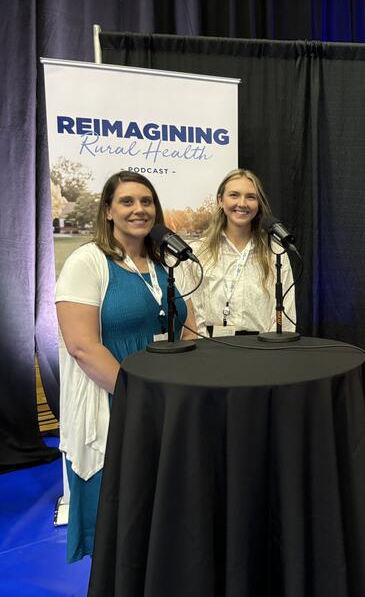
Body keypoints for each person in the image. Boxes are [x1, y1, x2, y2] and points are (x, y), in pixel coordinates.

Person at [55, 171, 195, 562]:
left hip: (166, 400)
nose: (139, 209)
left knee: (162, 510)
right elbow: (82, 346)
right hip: (115, 400)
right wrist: (140, 397)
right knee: (119, 518)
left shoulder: (164, 261)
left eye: (147, 201)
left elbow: (188, 325)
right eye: (128, 202)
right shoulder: (88, 262)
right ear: (108, 211)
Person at [182, 169, 297, 336]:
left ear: (258, 204)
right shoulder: (199, 251)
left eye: (251, 197)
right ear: (220, 200)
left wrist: (273, 350)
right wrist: (204, 347)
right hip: (212, 347)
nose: (242, 203)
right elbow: (194, 311)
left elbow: (286, 310)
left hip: (262, 349)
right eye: (234, 195)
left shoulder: (275, 252)